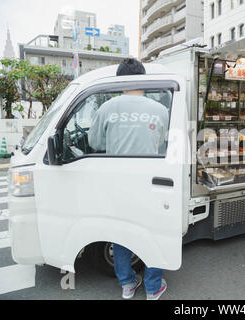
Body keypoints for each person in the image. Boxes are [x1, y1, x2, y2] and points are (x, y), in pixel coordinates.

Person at [88, 58, 168, 300]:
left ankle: (128, 283)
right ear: (143, 80)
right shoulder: (161, 110)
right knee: (155, 232)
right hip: (152, 181)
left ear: (120, 80)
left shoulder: (107, 108)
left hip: (117, 183)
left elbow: (94, 143)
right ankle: (153, 287)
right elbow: (164, 142)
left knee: (121, 233)